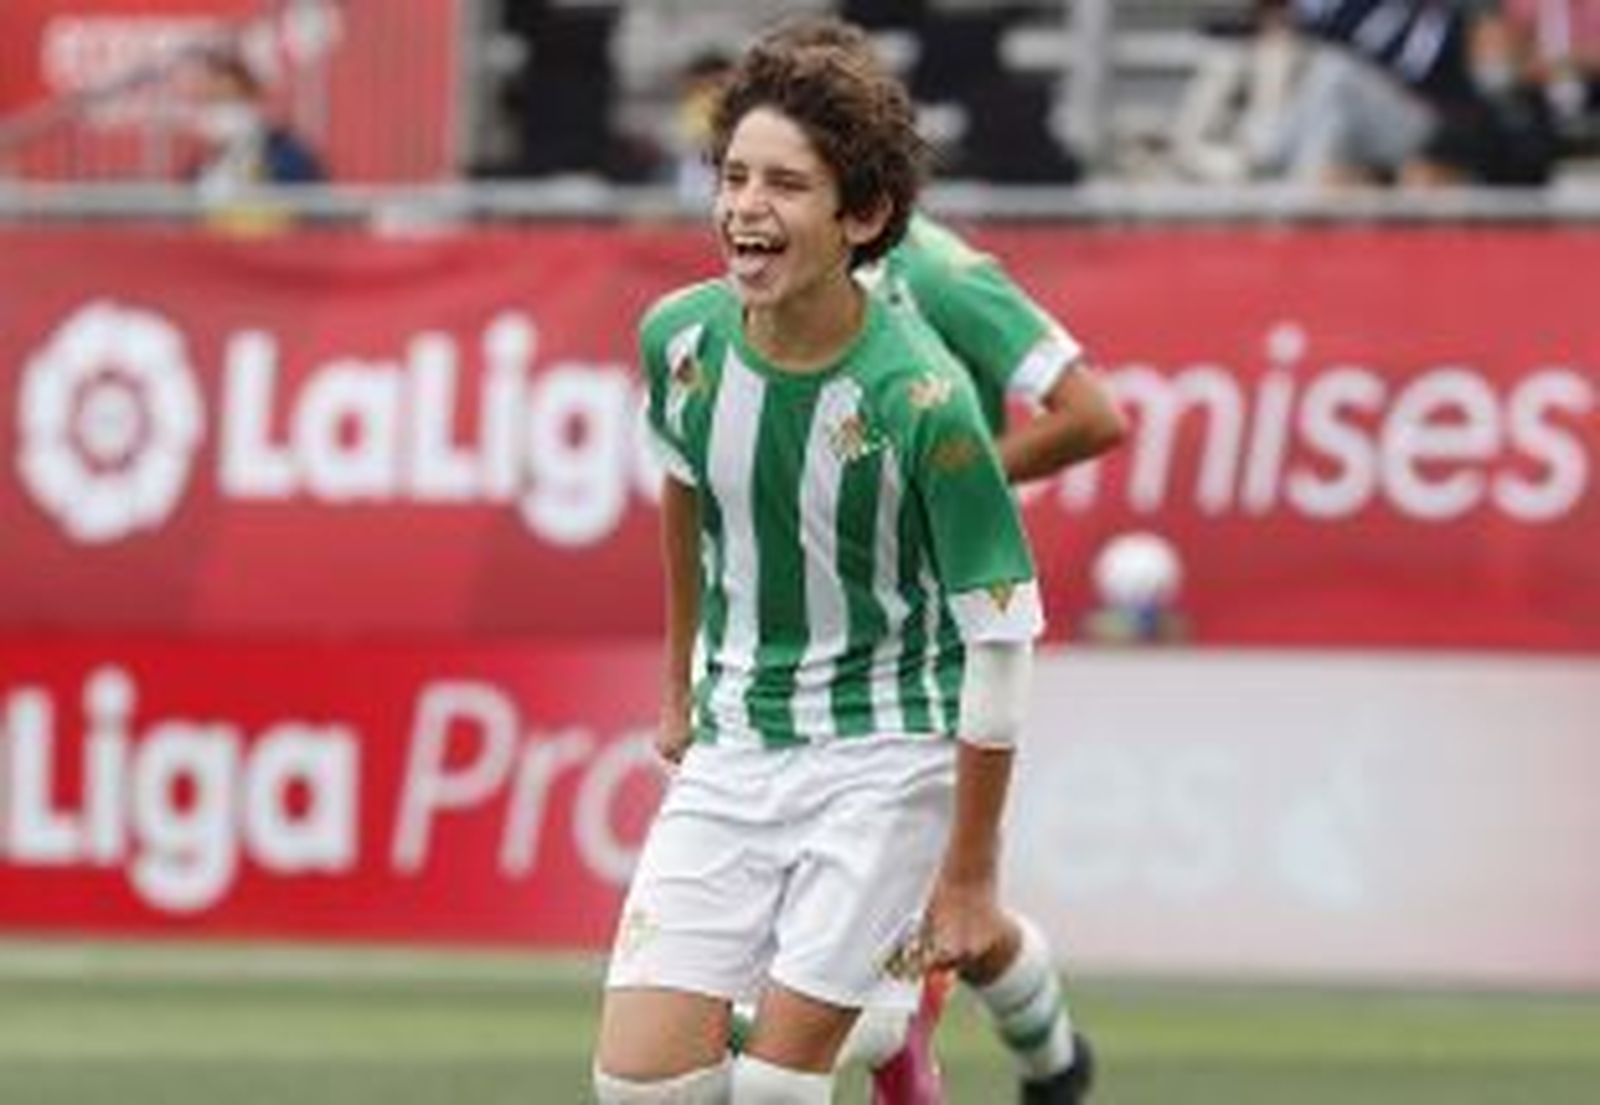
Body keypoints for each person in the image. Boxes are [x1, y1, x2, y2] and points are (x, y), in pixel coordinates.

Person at [593, 25, 1045, 1105]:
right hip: (738, 743)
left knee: (771, 1093)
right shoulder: (679, 340)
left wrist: (971, 874)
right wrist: (677, 687)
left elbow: (1002, 639)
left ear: (864, 216)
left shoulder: (923, 399)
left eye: (786, 184)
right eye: (734, 175)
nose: (746, 205)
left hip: (886, 756)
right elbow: (683, 488)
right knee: (641, 1089)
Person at [185, 48, 326, 197]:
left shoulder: (290, 156)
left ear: (253, 99)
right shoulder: (199, 169)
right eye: (215, 100)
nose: (224, 112)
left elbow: (310, 202)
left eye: (233, 99)